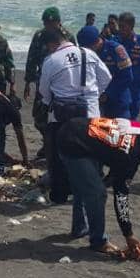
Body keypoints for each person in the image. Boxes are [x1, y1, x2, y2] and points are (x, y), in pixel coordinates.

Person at [55, 116, 140, 262]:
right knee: (97, 193)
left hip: (77, 128)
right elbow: (121, 198)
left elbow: (115, 148)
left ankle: (79, 228)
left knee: (86, 184)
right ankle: (99, 242)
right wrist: (129, 235)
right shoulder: (131, 156)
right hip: (73, 142)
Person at [37, 27, 113, 206]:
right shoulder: (88, 53)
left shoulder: (51, 60)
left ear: (51, 44)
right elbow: (106, 78)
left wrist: (50, 101)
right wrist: (92, 95)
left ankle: (61, 193)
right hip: (91, 113)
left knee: (59, 155)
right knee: (91, 153)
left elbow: (44, 91)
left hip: (63, 115)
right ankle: (91, 189)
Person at [23, 6, 74, 156]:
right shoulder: (39, 36)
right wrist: (28, 82)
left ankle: (56, 146)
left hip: (62, 82)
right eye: (46, 23)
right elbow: (31, 58)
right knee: (39, 117)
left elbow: (74, 59)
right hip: (43, 80)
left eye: (52, 23)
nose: (49, 26)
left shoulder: (68, 37)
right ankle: (47, 143)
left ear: (59, 22)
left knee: (60, 116)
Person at [78, 25, 134, 119]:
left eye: (87, 48)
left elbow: (127, 77)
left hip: (118, 100)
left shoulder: (116, 50)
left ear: (96, 42)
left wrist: (108, 94)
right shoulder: (84, 53)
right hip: (97, 101)